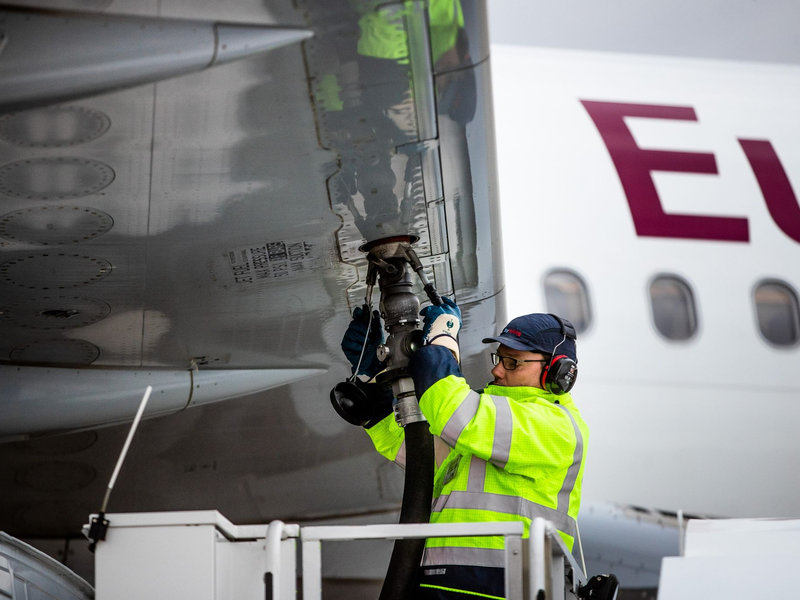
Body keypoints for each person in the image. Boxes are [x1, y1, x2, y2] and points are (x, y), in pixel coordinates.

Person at [340, 299, 589, 600]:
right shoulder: (490, 427)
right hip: (448, 585)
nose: (497, 370)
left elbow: (454, 411)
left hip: (502, 588)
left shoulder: (556, 426)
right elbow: (421, 455)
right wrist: (375, 388)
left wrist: (443, 338)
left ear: (557, 372)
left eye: (512, 362)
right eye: (499, 358)